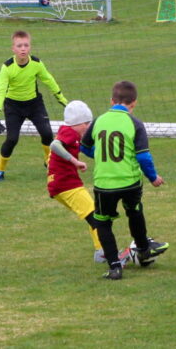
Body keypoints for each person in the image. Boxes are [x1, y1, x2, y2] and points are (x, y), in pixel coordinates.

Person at [81, 81, 169, 280]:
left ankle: (114, 267)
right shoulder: (135, 123)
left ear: (111, 101)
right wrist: (153, 177)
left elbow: (84, 146)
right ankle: (143, 249)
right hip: (130, 182)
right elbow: (143, 157)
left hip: (104, 183)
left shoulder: (99, 121)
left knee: (103, 223)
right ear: (134, 103)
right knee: (134, 210)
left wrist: (100, 155)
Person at [0, 30, 68, 181]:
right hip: (13, 107)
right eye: (19, 46)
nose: (23, 49)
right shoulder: (7, 67)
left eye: (26, 45)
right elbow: (0, 91)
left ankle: (49, 162)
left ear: (30, 47)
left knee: (47, 133)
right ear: (13, 48)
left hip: (34, 104)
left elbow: (49, 80)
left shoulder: (36, 63)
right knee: (12, 139)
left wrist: (63, 100)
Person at [47, 101, 104, 263]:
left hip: (60, 184)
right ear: (77, 123)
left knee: (92, 215)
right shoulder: (69, 132)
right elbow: (54, 145)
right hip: (66, 184)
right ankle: (103, 252)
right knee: (95, 215)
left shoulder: (70, 133)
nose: (88, 127)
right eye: (86, 124)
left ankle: (101, 250)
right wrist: (75, 161)